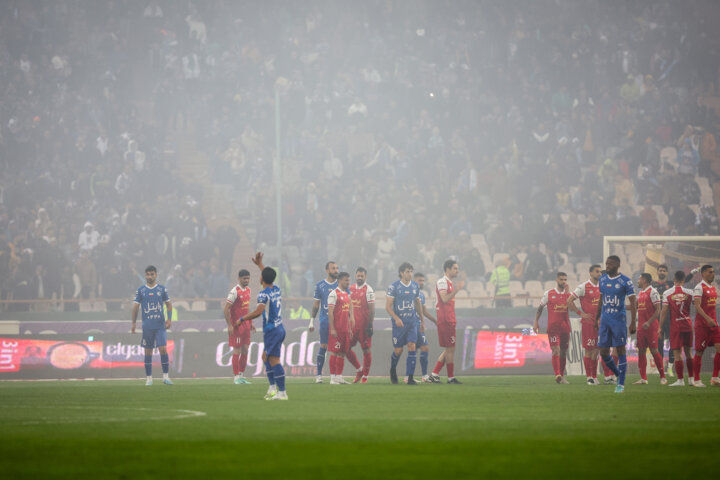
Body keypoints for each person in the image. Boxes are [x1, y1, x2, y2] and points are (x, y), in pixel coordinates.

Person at [235, 252, 288, 400]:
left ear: (262, 279)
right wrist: (260, 265)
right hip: (279, 328)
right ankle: (272, 388)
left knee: (274, 361)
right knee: (265, 356)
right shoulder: (276, 289)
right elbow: (268, 276)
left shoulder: (263, 294)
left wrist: (242, 319)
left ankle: (282, 392)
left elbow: (258, 312)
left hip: (272, 330)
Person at [595, 255, 637, 394]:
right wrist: (597, 318)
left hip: (619, 321)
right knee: (603, 352)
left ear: (617, 265)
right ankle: (619, 375)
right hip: (605, 321)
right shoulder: (602, 279)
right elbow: (601, 299)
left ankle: (621, 384)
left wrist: (633, 322)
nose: (607, 266)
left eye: (610, 264)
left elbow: (633, 302)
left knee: (620, 351)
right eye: (606, 263)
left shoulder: (625, 281)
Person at [131, 265, 173, 386]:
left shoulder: (162, 289)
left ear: (156, 275)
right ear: (145, 275)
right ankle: (149, 378)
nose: (149, 276)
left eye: (152, 274)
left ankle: (166, 377)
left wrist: (169, 319)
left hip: (160, 325)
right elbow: (135, 308)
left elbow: (169, 305)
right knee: (148, 352)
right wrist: (133, 323)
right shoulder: (141, 290)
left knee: (163, 349)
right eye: (148, 274)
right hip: (147, 326)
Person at [386, 262, 423, 385]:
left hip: (411, 322)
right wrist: (396, 318)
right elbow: (388, 306)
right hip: (399, 324)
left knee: (412, 346)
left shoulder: (415, 286)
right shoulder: (394, 287)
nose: (410, 274)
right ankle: (392, 370)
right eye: (407, 271)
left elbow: (418, 303)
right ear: (401, 273)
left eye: (411, 271)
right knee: (398, 350)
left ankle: (410, 377)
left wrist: (422, 320)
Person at [430, 259, 465, 384]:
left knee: (449, 349)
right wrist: (457, 290)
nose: (457, 270)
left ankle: (434, 374)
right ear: (447, 269)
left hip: (449, 319)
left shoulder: (448, 282)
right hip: (445, 319)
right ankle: (450, 378)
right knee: (450, 349)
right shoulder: (442, 282)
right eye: (455, 268)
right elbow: (444, 299)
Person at [659, 270, 695, 386]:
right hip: (688, 325)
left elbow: (664, 312)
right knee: (689, 352)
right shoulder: (690, 292)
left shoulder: (667, 293)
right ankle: (691, 379)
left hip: (675, 327)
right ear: (684, 280)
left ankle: (680, 380)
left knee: (677, 353)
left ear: (674, 279)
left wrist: (660, 327)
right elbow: (697, 306)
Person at [567, 264, 602, 385]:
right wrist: (580, 313)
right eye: (597, 271)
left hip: (601, 323)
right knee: (589, 350)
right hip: (588, 323)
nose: (599, 273)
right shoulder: (583, 287)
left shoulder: (602, 286)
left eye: (600, 272)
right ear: (591, 273)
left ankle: (594, 376)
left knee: (596, 351)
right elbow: (569, 300)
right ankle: (589, 377)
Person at [534, 272, 571, 384]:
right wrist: (536, 322)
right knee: (556, 350)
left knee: (564, 352)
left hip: (565, 328)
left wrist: (568, 294)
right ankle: (557, 375)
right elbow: (540, 308)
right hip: (553, 328)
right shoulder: (549, 294)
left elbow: (571, 307)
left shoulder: (569, 294)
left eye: (565, 279)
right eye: (561, 279)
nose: (563, 281)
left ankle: (562, 375)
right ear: (556, 280)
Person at [633, 273, 667, 385]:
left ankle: (662, 377)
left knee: (654, 351)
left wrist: (649, 322)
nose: (638, 281)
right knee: (641, 351)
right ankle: (643, 378)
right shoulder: (641, 293)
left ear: (644, 280)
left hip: (651, 327)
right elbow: (635, 307)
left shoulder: (653, 291)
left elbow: (658, 309)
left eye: (639, 278)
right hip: (641, 328)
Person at [308, 261, 338, 383]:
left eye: (337, 268)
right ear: (327, 270)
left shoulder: (341, 285)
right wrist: (311, 321)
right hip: (325, 320)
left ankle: (335, 375)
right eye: (333, 268)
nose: (336, 270)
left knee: (337, 348)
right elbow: (316, 305)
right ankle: (319, 375)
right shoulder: (320, 285)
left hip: (338, 321)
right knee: (324, 346)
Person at [224, 269, 255, 384]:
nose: (246, 280)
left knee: (246, 349)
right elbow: (226, 309)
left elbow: (247, 309)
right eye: (244, 278)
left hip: (246, 324)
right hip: (236, 325)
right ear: (239, 278)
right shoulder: (234, 292)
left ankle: (242, 375)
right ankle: (236, 377)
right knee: (237, 350)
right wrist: (229, 325)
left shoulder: (248, 290)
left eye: (248, 278)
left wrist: (251, 323)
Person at [691, 265, 720, 387]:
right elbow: (697, 306)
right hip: (702, 325)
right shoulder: (699, 288)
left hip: (714, 325)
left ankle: (714, 378)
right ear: (703, 274)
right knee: (699, 352)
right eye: (709, 272)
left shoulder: (713, 288)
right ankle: (696, 380)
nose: (712, 274)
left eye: (713, 272)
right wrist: (708, 319)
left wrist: (713, 320)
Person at [348, 267, 375, 383]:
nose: (359, 278)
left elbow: (372, 309)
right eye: (358, 276)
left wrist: (370, 325)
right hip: (352, 327)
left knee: (366, 350)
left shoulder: (369, 290)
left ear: (365, 277)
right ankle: (359, 370)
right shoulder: (351, 288)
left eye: (362, 276)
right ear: (355, 276)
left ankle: (365, 376)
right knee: (345, 349)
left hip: (364, 326)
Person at [327, 272, 354, 384]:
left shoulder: (346, 295)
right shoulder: (334, 294)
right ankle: (332, 377)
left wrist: (350, 328)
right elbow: (330, 312)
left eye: (348, 280)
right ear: (340, 281)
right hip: (337, 329)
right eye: (346, 280)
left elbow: (347, 313)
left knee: (342, 353)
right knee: (334, 352)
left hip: (345, 329)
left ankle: (339, 377)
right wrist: (332, 328)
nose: (348, 282)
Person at [413, 272, 439, 383]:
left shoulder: (422, 295)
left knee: (420, 348)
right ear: (414, 280)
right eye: (419, 280)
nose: (422, 282)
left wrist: (434, 321)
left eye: (423, 280)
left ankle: (419, 376)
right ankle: (417, 376)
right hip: (412, 324)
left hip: (418, 324)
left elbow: (424, 311)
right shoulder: (410, 292)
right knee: (421, 348)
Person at [652, 264, 674, 373]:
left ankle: (670, 367)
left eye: (664, 271)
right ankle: (659, 368)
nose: (662, 272)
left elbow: (684, 280)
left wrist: (693, 273)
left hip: (670, 317)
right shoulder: (652, 285)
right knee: (659, 343)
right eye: (660, 270)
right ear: (657, 272)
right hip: (657, 318)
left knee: (673, 342)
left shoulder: (671, 284)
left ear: (667, 273)